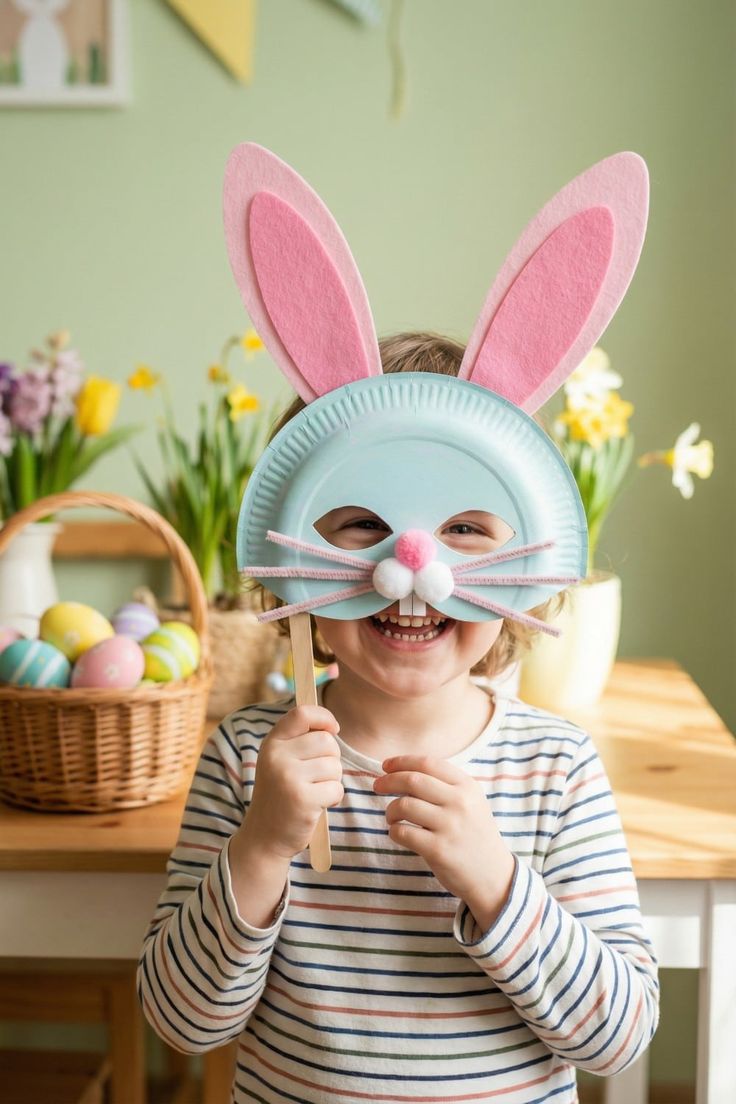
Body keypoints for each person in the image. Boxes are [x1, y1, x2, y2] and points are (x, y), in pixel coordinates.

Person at [137, 333, 659, 1104]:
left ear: (523, 569)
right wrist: (261, 848)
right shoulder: (249, 759)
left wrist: (498, 882)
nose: (415, 561)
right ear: (295, 553)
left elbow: (618, 1036)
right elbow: (183, 1022)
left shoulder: (557, 766)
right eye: (360, 523)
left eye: (467, 528)